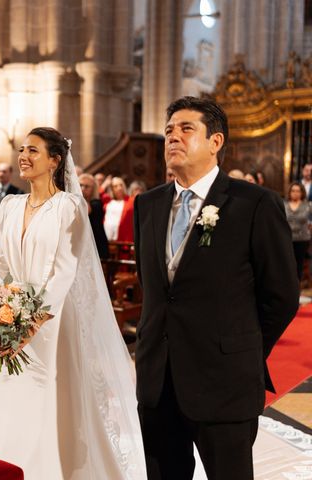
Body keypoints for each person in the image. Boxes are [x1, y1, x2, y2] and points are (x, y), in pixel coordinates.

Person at [134, 96, 299, 480]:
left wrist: (240, 346)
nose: (173, 138)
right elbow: (155, 287)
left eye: (186, 129)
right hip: (158, 381)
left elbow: (282, 296)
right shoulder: (149, 204)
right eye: (169, 131)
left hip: (225, 381)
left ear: (216, 141)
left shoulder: (254, 204)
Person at [0, 127, 146, 479]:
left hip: (52, 321)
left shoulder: (69, 206)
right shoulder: (10, 206)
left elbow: (64, 272)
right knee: (14, 398)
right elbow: (0, 264)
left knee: (52, 401)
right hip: (11, 320)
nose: (23, 156)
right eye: (22, 149)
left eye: (34, 150)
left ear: (55, 161)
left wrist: (31, 323)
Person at [78, 172, 109, 258]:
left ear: (93, 189)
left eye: (87, 186)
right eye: (80, 185)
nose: (82, 188)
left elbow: (85, 210)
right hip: (83, 246)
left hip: (96, 246)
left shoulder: (96, 203)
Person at [284, 182, 311, 281]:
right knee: (286, 264)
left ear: (302, 192)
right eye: (293, 191)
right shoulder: (284, 204)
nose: (295, 193)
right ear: (290, 192)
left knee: (299, 264)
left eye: (298, 191)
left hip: (302, 239)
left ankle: (297, 286)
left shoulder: (307, 205)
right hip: (287, 239)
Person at [103, 176, 129, 241]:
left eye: (121, 185)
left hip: (124, 241)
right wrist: (105, 185)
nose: (119, 188)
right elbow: (97, 195)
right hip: (107, 241)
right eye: (115, 186)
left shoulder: (131, 201)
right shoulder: (107, 202)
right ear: (111, 189)